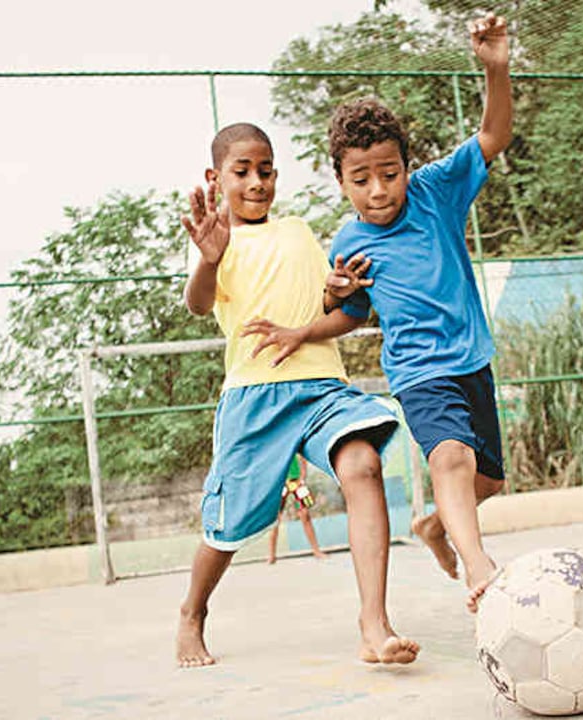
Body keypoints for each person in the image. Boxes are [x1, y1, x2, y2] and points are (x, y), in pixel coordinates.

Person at [174, 122, 419, 668]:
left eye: (265, 171)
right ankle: (193, 612)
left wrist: (341, 291)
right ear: (217, 178)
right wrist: (209, 258)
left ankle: (373, 624)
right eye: (242, 173)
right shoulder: (218, 238)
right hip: (255, 397)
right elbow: (197, 304)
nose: (256, 182)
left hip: (322, 389)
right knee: (227, 525)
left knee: (363, 466)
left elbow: (337, 315)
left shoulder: (297, 233)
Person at [319, 13, 513, 613]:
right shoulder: (348, 244)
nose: (379, 190)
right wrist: (330, 294)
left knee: (489, 480)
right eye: (362, 179)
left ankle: (434, 526)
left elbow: (493, 135)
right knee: (450, 457)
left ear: (407, 165)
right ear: (342, 182)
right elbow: (347, 310)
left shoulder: (436, 191)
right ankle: (480, 567)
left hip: (471, 356)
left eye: (389, 173)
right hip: (419, 371)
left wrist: (496, 69)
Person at [268, 454, 330, 563]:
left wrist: (303, 475)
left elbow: (302, 457)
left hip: (296, 481)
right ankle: (271, 556)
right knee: (275, 517)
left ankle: (316, 551)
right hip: (280, 482)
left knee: (305, 514)